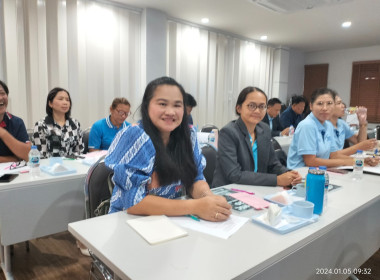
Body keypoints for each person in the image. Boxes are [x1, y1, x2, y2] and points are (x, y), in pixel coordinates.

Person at [105, 77, 231, 221]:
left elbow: (195, 178)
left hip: (172, 219)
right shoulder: (136, 136)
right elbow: (134, 203)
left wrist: (208, 200)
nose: (171, 112)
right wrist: (197, 206)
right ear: (146, 106)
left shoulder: (188, 136)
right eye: (163, 104)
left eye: (177, 105)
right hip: (130, 221)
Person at [212, 86, 302, 188]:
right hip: (230, 189)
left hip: (256, 187)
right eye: (251, 106)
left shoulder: (264, 129)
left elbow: (273, 164)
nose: (257, 111)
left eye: (262, 106)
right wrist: (277, 180)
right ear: (239, 108)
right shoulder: (228, 132)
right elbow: (235, 174)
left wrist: (289, 174)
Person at [287, 88, 379, 169]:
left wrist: (361, 160)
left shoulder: (327, 125)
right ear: (311, 106)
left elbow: (334, 155)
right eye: (320, 104)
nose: (325, 108)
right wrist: (352, 162)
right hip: (300, 174)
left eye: (329, 103)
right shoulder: (307, 125)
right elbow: (311, 162)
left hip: (320, 170)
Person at [33, 87, 84, 158]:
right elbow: (42, 155)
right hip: (50, 167)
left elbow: (79, 151)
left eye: (67, 100)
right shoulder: (41, 125)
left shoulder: (75, 124)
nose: (65, 103)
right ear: (50, 103)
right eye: (60, 99)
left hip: (73, 165)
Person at [0, 80, 31, 163]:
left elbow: (28, 155)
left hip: (13, 175)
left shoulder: (17, 122)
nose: (0, 98)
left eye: (2, 93)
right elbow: (20, 158)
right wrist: (14, 159)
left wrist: (3, 133)